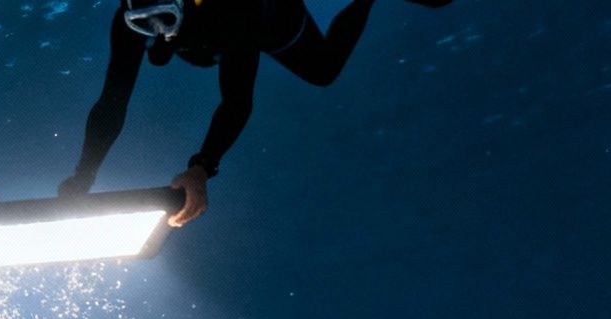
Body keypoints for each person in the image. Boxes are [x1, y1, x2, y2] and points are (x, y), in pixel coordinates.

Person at [59, 0, 452, 226]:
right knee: (162, 51)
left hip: (267, 16)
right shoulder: (130, 19)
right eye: (145, 24)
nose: (158, 29)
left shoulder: (234, 7)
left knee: (322, 70)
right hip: (205, 37)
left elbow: (237, 100)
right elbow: (113, 99)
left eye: (163, 19)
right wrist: (83, 175)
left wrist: (200, 168)